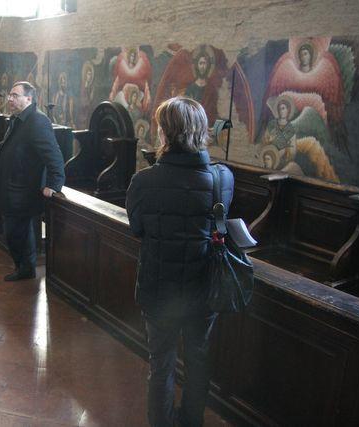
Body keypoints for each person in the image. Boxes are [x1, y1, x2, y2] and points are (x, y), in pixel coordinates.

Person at [126, 97, 234, 427]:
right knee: (198, 362)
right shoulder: (221, 179)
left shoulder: (143, 181)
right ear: (201, 132)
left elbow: (138, 228)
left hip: (159, 289)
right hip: (203, 291)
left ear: (164, 134)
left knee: (161, 365)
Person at [0, 81, 65, 281]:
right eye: (10, 95)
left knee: (20, 233)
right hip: (12, 189)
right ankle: (22, 266)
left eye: (15, 95)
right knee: (14, 233)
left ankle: (26, 269)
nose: (10, 99)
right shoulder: (17, 119)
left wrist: (53, 185)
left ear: (29, 98)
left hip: (23, 191)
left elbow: (54, 156)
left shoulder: (37, 121)